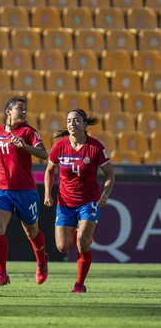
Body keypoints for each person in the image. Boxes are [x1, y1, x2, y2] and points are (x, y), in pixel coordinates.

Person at [43, 109, 115, 293]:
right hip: (65, 202)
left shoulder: (96, 147)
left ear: (85, 124)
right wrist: (47, 193)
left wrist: (105, 195)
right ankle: (80, 233)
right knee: (63, 246)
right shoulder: (59, 146)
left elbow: (109, 174)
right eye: (69, 121)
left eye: (76, 120)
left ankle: (79, 284)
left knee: (83, 243)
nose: (72, 124)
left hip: (89, 201)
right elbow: (49, 171)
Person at [0, 96, 49, 289]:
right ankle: (2, 274)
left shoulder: (29, 132)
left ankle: (41, 261)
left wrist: (25, 146)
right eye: (19, 108)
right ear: (8, 111)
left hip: (25, 191)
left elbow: (44, 154)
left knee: (31, 231)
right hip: (1, 189)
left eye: (25, 109)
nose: (23, 112)